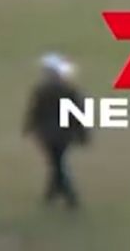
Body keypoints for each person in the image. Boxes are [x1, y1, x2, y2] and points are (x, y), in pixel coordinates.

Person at [22, 54, 87, 208]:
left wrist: (29, 127)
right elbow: (79, 114)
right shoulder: (69, 91)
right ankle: (52, 195)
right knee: (57, 163)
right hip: (64, 135)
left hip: (48, 134)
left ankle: (68, 198)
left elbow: (35, 111)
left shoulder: (42, 90)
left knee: (56, 164)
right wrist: (83, 134)